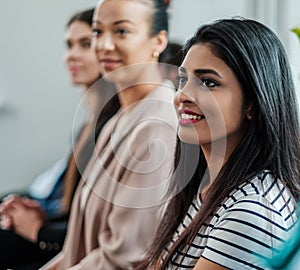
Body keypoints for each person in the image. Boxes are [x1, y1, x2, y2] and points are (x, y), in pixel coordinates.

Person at [136, 18, 300, 270]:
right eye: (183, 80)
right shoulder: (205, 184)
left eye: (209, 83)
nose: (182, 96)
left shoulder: (252, 210)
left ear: (253, 104)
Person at [41, 0, 178, 269]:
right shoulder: (120, 118)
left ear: (159, 41)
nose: (103, 45)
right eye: (97, 32)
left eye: (121, 31)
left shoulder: (158, 125)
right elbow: (76, 251)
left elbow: (124, 258)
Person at [0, 8, 119, 270]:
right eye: (69, 45)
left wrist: (39, 230)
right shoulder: (87, 125)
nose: (72, 55)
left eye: (85, 44)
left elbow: (95, 230)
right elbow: (71, 209)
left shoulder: (114, 126)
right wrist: (38, 215)